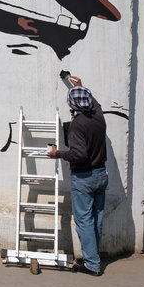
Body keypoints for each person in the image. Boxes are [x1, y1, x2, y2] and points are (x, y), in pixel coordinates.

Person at [47, 76, 108, 276]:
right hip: (101, 173)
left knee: (84, 221)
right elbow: (96, 104)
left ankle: (92, 264)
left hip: (84, 177)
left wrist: (57, 154)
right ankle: (93, 256)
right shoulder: (98, 116)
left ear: (71, 104)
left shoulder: (77, 125)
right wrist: (81, 87)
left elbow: (78, 154)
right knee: (96, 218)